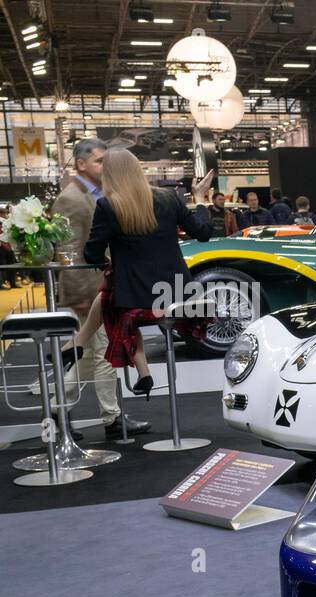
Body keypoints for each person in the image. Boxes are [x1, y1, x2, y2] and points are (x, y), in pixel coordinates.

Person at [63, 149, 213, 399]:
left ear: (110, 175)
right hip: (176, 293)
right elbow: (204, 232)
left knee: (113, 300)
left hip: (136, 299)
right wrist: (199, 198)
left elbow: (92, 253)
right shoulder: (170, 198)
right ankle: (137, 371)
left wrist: (108, 263)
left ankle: (78, 345)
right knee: (113, 299)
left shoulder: (108, 206)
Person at [51, 138, 148, 437]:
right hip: (89, 292)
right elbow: (68, 251)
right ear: (81, 164)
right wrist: (81, 296)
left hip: (101, 289)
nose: (105, 166)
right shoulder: (71, 198)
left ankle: (57, 408)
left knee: (91, 355)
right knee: (105, 351)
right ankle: (112, 419)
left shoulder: (98, 194)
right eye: (99, 161)